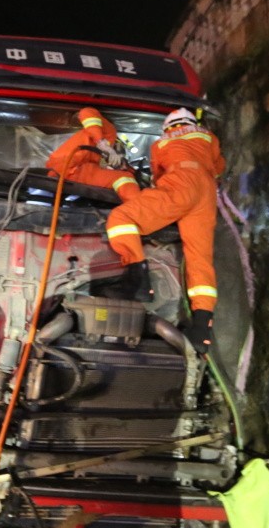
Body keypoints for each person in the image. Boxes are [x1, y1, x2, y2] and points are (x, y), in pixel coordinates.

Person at [104, 108, 226, 353]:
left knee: (121, 217)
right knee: (199, 257)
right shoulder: (210, 138)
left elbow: (158, 175)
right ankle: (202, 327)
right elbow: (219, 167)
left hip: (180, 183)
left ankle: (138, 281)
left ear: (168, 128)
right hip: (206, 192)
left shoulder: (162, 143)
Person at [46, 107, 141, 202]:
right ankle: (138, 210)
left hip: (65, 171)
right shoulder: (109, 132)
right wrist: (102, 142)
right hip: (70, 167)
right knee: (125, 178)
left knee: (122, 175)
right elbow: (86, 112)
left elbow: (97, 170)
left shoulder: (99, 155)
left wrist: (116, 166)